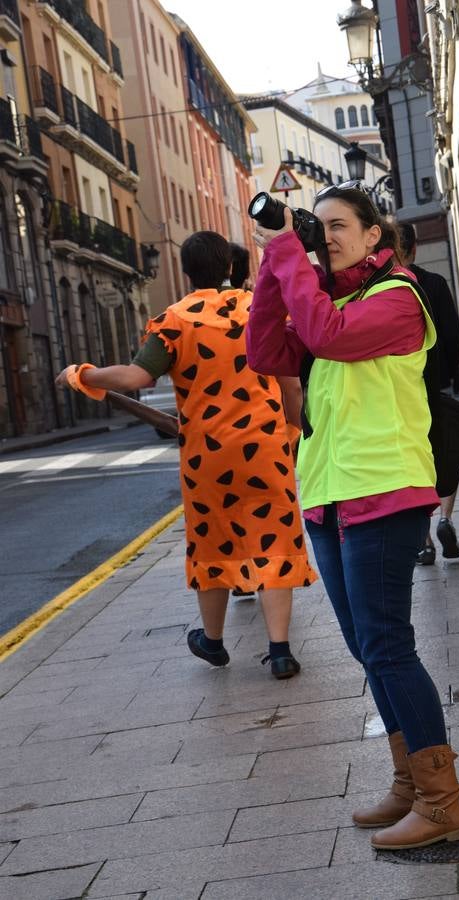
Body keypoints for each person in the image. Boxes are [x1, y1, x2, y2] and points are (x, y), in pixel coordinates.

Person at [247, 185, 459, 849]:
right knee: (364, 647)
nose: (327, 236)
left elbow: (325, 337)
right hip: (328, 496)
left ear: (375, 235)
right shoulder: (327, 298)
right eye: (317, 228)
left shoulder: (398, 297)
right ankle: (409, 783)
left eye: (339, 225)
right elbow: (265, 350)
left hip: (384, 490)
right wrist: (272, 264)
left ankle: (442, 802)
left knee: (387, 645)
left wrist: (290, 252)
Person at [55, 231, 317, 680]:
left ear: (187, 272)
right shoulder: (261, 310)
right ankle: (279, 652)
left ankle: (213, 643)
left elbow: (137, 377)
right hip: (265, 449)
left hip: (207, 457)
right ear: (230, 268)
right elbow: (290, 382)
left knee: (212, 544)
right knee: (274, 540)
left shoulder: (174, 320)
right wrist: (293, 429)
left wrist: (82, 375)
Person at [396, 223, 459, 565]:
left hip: (401, 392)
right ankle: (446, 519)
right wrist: (450, 376)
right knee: (447, 451)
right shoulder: (434, 283)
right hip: (434, 387)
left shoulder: (385, 290)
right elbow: (451, 336)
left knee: (414, 460)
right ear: (415, 247)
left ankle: (422, 539)